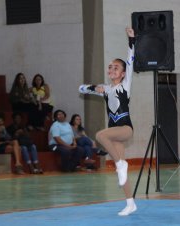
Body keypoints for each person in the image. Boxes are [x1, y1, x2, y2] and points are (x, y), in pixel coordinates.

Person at [78, 27, 136, 216]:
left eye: (116, 67)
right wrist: (94, 88)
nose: (112, 69)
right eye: (110, 66)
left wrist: (131, 40)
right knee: (122, 176)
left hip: (125, 129)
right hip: (116, 135)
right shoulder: (106, 88)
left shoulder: (125, 86)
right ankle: (130, 203)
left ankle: (120, 164)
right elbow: (82, 88)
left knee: (100, 135)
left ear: (123, 74)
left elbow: (130, 60)